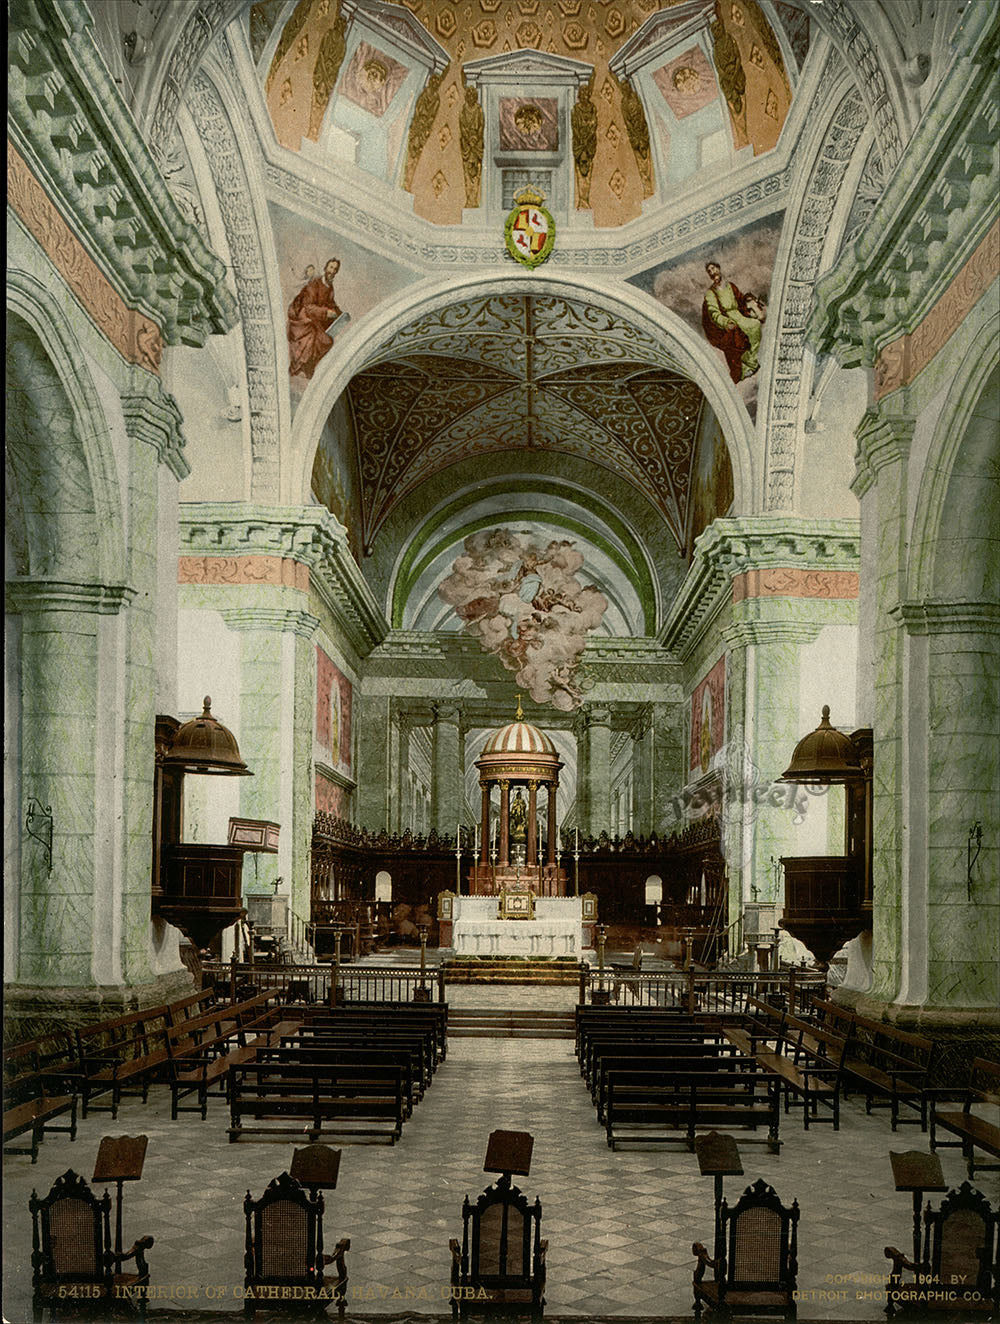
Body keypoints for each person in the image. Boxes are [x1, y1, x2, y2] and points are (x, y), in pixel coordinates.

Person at [701, 260, 766, 383]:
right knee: (743, 334)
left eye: (713, 269)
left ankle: (750, 360)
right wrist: (725, 322)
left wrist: (749, 299)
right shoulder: (711, 293)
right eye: (709, 271)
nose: (712, 272)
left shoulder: (730, 286)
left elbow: (740, 298)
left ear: (719, 269)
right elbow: (713, 313)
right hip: (730, 318)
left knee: (756, 326)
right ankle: (749, 364)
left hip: (739, 314)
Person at [287, 257, 342, 379]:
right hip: (304, 316)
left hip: (316, 317)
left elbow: (331, 303)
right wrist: (325, 312)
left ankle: (308, 366)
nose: (332, 271)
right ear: (325, 267)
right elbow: (308, 306)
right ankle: (298, 365)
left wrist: (339, 313)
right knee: (313, 337)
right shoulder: (315, 283)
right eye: (331, 267)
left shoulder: (329, 286)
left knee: (327, 341)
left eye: (335, 269)